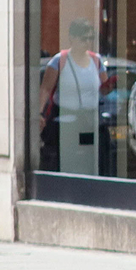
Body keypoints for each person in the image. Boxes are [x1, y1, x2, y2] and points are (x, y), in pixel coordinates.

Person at [36, 19, 107, 175]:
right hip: (65, 120)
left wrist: (109, 87)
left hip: (89, 120)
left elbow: (103, 87)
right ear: (72, 38)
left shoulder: (96, 60)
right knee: (66, 161)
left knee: (89, 159)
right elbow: (45, 89)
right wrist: (40, 113)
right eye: (84, 38)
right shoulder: (59, 60)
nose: (88, 42)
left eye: (91, 38)